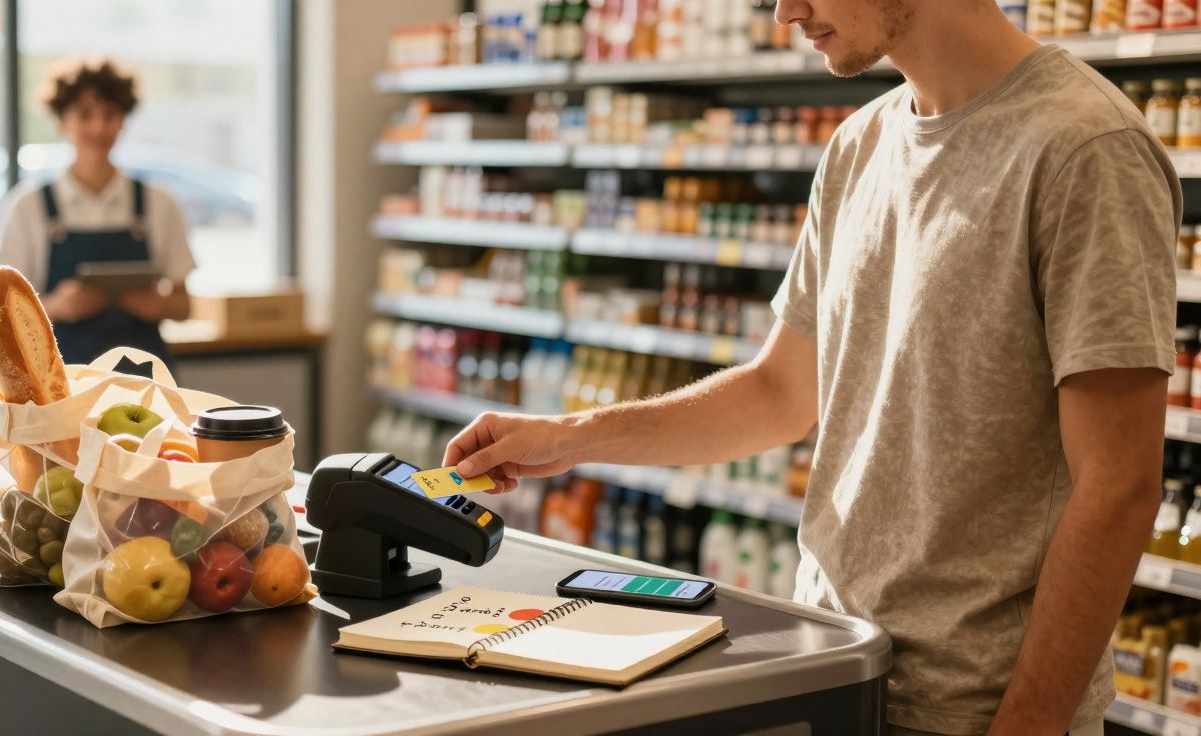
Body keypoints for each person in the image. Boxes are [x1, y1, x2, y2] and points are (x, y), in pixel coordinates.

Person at [443, 2, 1179, 735]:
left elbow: (1118, 484)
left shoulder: (1086, 148)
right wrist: (568, 436)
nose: (785, 10)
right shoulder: (860, 144)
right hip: (832, 667)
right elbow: (779, 394)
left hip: (971, 709)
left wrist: (1029, 724)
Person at [0, 57, 194, 368]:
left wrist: (158, 305)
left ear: (123, 120)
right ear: (62, 121)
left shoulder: (160, 203)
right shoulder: (28, 207)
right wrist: (56, 306)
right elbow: (4, 314)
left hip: (146, 383)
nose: (98, 127)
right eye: (85, 114)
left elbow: (184, 307)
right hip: (62, 381)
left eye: (110, 115)